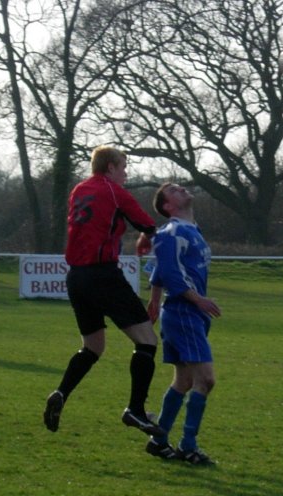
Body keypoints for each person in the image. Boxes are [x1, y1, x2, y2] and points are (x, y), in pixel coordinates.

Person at [44, 145, 165, 437]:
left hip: (76, 277)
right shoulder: (113, 191)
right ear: (110, 167)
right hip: (102, 274)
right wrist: (146, 237)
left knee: (93, 347)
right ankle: (135, 409)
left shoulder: (79, 190)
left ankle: (61, 392)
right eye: (123, 166)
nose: (125, 173)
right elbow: (148, 225)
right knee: (147, 341)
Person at [145, 183, 221, 465]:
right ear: (168, 206)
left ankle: (158, 438)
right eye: (174, 190)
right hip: (184, 313)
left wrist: (153, 302)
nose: (183, 189)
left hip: (187, 315)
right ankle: (188, 446)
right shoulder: (172, 231)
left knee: (185, 380)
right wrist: (197, 300)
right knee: (206, 380)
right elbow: (167, 272)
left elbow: (157, 271)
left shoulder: (190, 231)